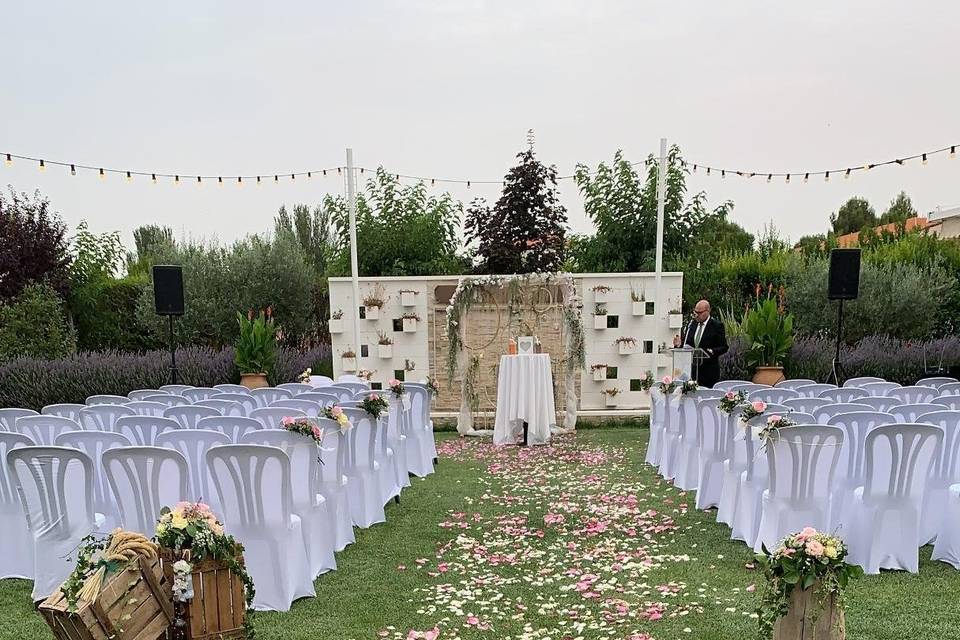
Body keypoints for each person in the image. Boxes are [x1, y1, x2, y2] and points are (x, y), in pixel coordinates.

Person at [672, 299, 728, 388]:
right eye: (695, 312)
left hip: (709, 371)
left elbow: (724, 347)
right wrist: (679, 345)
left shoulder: (716, 326)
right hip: (693, 371)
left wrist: (711, 351)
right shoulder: (692, 324)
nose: (697, 315)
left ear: (708, 311)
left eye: (700, 312)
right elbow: (688, 344)